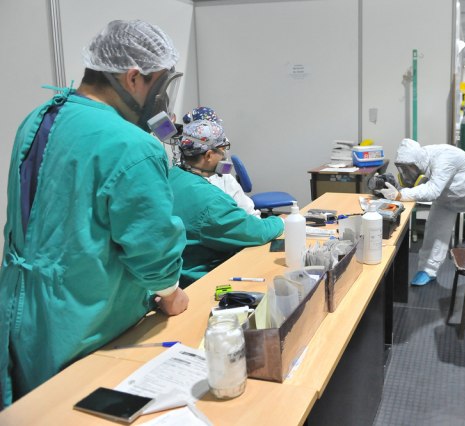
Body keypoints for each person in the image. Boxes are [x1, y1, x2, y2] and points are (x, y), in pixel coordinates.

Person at [0, 20, 190, 407]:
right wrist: (171, 294)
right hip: (86, 321)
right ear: (133, 77)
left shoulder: (39, 118)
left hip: (22, 309)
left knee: (33, 408)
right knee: (74, 408)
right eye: (159, 84)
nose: (161, 99)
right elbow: (152, 249)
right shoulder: (131, 144)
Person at [169, 119, 285, 287]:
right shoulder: (211, 201)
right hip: (200, 281)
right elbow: (255, 232)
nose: (224, 156)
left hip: (176, 275)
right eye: (223, 149)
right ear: (209, 155)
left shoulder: (171, 176)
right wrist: (281, 221)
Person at [380, 139, 465, 286]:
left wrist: (401, 194)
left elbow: (433, 190)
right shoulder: (421, 160)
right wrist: (399, 190)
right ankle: (427, 270)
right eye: (404, 169)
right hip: (446, 199)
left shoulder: (444, 158)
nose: (408, 172)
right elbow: (423, 185)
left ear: (418, 161)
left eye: (410, 168)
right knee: (434, 233)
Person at [182, 106, 261, 217]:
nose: (224, 153)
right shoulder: (217, 187)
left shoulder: (176, 176)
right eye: (223, 147)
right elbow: (250, 217)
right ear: (209, 155)